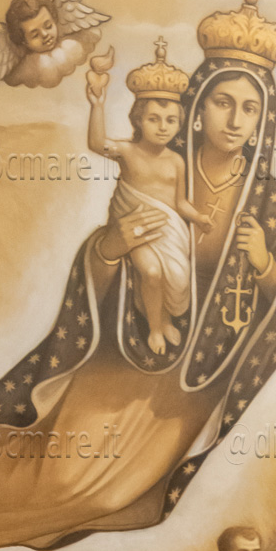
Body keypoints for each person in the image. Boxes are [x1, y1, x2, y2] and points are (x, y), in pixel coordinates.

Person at [0, 0, 276, 551]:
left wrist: (265, 267)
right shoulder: (157, 161)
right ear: (197, 105)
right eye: (223, 103)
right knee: (54, 471)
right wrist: (112, 246)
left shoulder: (262, 197)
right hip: (119, 351)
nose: (236, 120)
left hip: (193, 381)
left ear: (264, 119)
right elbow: (100, 257)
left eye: (250, 108)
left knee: (107, 493)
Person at [84, 40, 207, 356]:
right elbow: (96, 143)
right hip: (137, 231)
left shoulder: (176, 161)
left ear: (179, 123)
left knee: (175, 279)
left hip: (169, 233)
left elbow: (180, 203)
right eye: (154, 119)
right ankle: (154, 327)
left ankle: (164, 318)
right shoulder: (127, 151)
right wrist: (97, 104)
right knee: (151, 273)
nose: (163, 127)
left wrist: (198, 217)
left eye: (170, 121)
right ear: (138, 120)